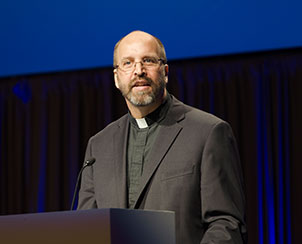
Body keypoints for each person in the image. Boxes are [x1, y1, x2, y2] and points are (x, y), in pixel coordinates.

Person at [78, 30, 247, 243]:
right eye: (128, 63)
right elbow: (88, 230)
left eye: (148, 61)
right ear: (116, 78)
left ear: (165, 72)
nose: (138, 71)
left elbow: (226, 224)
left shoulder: (208, 132)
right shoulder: (98, 147)